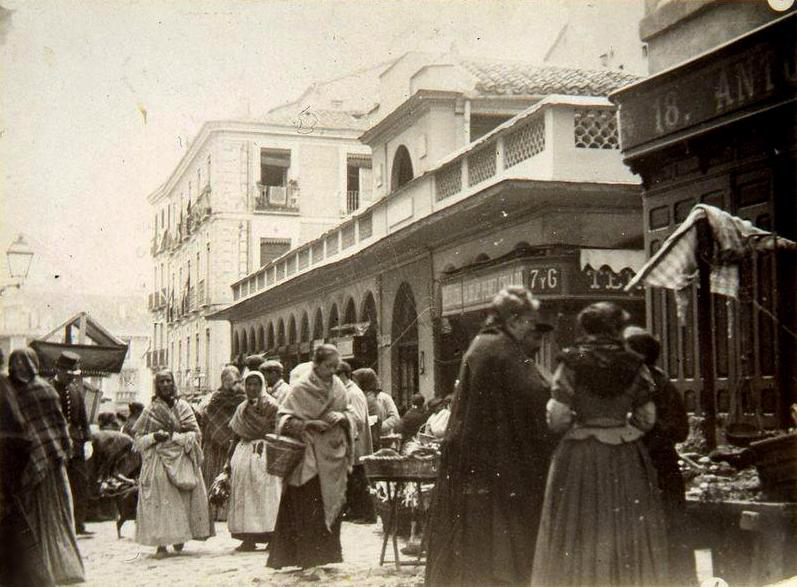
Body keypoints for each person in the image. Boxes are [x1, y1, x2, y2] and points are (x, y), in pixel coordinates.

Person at [425, 286, 555, 587]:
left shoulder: (488, 344)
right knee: (496, 555)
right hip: (495, 468)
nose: (532, 332)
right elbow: (534, 391)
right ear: (515, 320)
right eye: (529, 322)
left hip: (481, 463)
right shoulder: (500, 348)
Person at [531, 302, 668, 587]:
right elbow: (646, 419)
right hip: (625, 454)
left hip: (580, 454)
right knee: (625, 526)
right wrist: (620, 421)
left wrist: (582, 421)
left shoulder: (573, 359)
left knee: (580, 526)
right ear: (617, 328)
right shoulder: (634, 363)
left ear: (586, 327)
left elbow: (557, 419)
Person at [267, 345, 358, 570]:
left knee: (330, 505)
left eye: (336, 367)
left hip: (332, 457)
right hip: (307, 458)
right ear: (316, 365)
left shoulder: (339, 387)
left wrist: (344, 417)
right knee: (306, 508)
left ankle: (327, 555)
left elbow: (350, 412)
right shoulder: (299, 389)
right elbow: (283, 419)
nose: (333, 371)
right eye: (328, 366)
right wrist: (309, 423)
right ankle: (305, 557)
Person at [1, 348, 85, 586]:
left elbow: (57, 424)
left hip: (46, 462)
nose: (20, 369)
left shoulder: (38, 390)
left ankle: (58, 567)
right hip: (29, 462)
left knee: (51, 514)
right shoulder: (13, 391)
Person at [625, 326, 695, 586]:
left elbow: (679, 430)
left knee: (667, 533)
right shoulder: (650, 382)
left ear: (640, 356)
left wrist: (650, 434)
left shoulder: (654, 384)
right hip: (656, 467)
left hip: (657, 468)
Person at [133, 369, 213, 557]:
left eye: (168, 381)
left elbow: (196, 433)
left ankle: (180, 536)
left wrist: (178, 438)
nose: (166, 385)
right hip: (158, 460)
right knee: (161, 500)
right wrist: (154, 436)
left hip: (182, 458)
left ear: (173, 382)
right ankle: (161, 543)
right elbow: (138, 439)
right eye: (161, 382)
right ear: (157, 385)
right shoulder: (150, 410)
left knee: (183, 500)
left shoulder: (184, 407)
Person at [225, 371, 282, 552]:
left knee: (265, 494)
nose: (252, 388)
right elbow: (235, 435)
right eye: (248, 384)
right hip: (244, 452)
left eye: (256, 384)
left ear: (262, 385)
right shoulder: (241, 408)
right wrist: (229, 460)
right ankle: (248, 537)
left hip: (264, 452)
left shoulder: (272, 406)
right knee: (244, 495)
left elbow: (277, 429)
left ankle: (271, 535)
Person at [49, 351, 93, 536]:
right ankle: (58, 524)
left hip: (76, 445)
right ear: (58, 370)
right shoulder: (49, 389)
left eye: (73, 373)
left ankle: (79, 524)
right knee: (57, 486)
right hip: (55, 445)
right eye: (68, 373)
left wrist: (88, 440)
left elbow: (83, 419)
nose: (71, 376)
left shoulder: (75, 390)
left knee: (80, 484)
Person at [198, 365, 244, 520]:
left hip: (235, 445)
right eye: (227, 381)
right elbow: (208, 421)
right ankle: (215, 510)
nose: (230, 384)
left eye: (233, 381)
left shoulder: (243, 399)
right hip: (216, 448)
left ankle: (228, 512)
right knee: (215, 476)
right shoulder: (214, 399)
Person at [337, 361, 376, 524]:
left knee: (360, 480)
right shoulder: (347, 392)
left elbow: (358, 420)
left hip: (357, 444)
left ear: (343, 375)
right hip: (352, 444)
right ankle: (357, 511)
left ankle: (367, 514)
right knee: (354, 480)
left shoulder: (353, 393)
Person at [352, 368, 399, 446]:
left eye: (356, 381)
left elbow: (395, 417)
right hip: (365, 439)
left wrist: (379, 427)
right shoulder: (358, 397)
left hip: (383, 440)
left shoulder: (384, 398)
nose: (354, 384)